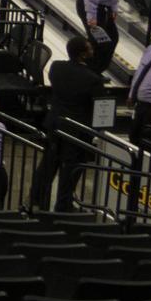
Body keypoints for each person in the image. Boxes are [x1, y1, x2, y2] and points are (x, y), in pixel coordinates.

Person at [31, 36, 106, 210]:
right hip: (77, 130)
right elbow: (100, 105)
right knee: (70, 169)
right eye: (89, 49)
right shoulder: (93, 79)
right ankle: (63, 204)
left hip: (55, 124)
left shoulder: (56, 68)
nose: (92, 51)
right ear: (83, 54)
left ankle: (37, 199)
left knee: (48, 164)